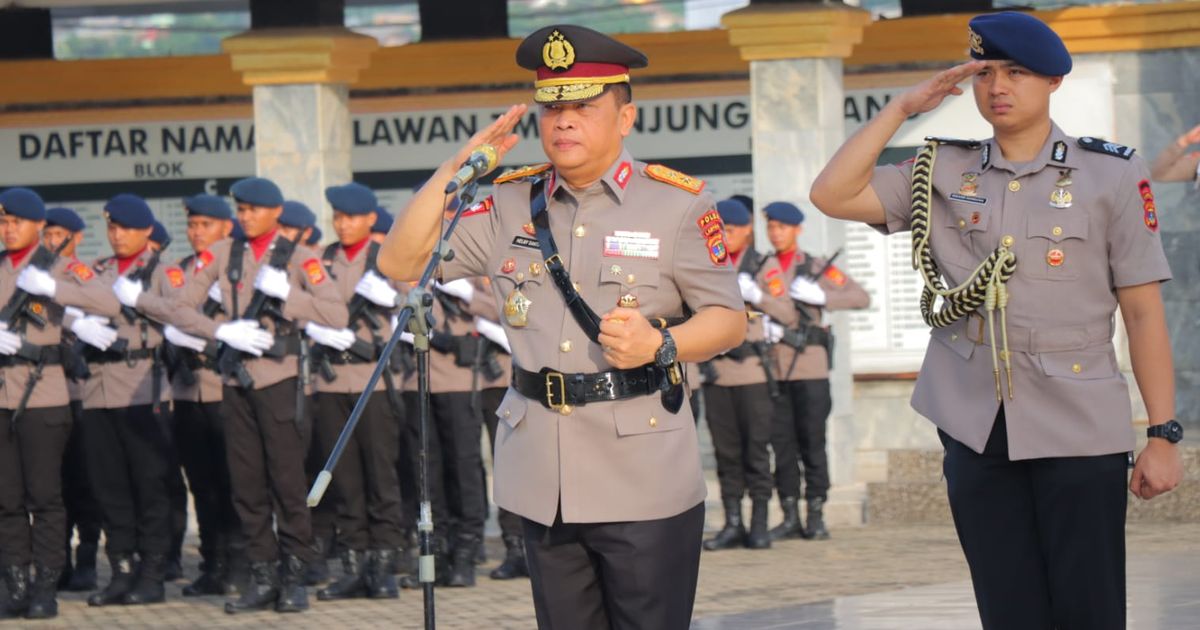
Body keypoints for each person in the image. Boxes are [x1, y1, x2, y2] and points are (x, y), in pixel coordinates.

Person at [809, 12, 1183, 629]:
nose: (998, 87)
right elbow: (832, 194)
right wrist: (902, 108)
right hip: (976, 419)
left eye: (1017, 73)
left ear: (1054, 81)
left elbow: (1142, 312)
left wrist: (1163, 434)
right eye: (985, 73)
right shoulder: (943, 170)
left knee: (1089, 605)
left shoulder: (1110, 173)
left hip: (1079, 419)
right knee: (1007, 606)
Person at [378, 24, 744, 629]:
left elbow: (729, 320)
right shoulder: (507, 202)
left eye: (583, 106)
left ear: (625, 118)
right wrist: (454, 169)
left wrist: (663, 342)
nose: (564, 121)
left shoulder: (678, 205)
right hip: (543, 475)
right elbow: (399, 263)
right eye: (552, 107)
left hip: (642, 473)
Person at [126, 177, 349, 614]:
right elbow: (179, 307)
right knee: (246, 485)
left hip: (279, 383)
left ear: (274, 212)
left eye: (252, 209)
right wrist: (220, 330)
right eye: (240, 209)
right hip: (235, 384)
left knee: (286, 483)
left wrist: (290, 298)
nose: (244, 216)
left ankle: (293, 576)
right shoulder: (222, 255)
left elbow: (337, 314)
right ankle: (261, 574)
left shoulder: (300, 259)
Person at [0, 188, 119, 619]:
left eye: (16, 221)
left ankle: (45, 587)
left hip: (44, 396)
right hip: (1, 395)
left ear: (37, 228)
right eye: (3, 221)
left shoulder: (63, 267)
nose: (8, 228)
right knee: (6, 499)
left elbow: (107, 301)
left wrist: (53, 288)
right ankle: (15, 584)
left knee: (45, 497)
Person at [76, 194, 175, 607]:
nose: (117, 235)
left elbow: (180, 313)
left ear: (147, 231)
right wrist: (75, 322)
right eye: (113, 228)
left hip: (142, 388)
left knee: (149, 485)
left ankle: (152, 573)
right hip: (98, 389)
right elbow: (64, 302)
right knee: (108, 486)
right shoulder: (94, 270)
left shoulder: (162, 272)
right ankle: (120, 570)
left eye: (127, 228)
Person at [308, 182, 404, 600]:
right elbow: (302, 303)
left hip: (373, 382)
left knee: (381, 476)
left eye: (351, 217)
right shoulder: (322, 260)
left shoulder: (386, 257)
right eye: (338, 217)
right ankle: (352, 564)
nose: (342, 224)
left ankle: (383, 566)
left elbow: (418, 304)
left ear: (369, 219)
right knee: (344, 478)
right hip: (330, 382)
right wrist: (313, 326)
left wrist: (394, 299)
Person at [760, 201, 868, 541]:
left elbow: (859, 296)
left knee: (812, 442)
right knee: (782, 445)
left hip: (810, 368)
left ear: (797, 230)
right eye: (772, 227)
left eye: (782, 227)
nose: (776, 233)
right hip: (774, 368)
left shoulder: (816, 266)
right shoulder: (762, 267)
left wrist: (821, 296)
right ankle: (790, 513)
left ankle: (816, 513)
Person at [159, 194, 240, 597]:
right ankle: (213, 563)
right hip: (189, 392)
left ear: (226, 227)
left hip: (228, 390)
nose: (196, 233)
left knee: (234, 483)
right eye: (192, 225)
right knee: (202, 484)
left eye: (204, 225)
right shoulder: (181, 273)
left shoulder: (238, 267)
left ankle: (241, 563)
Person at [699, 198, 784, 551]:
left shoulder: (763, 266)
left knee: (756, 450)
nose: (724, 236)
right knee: (726, 451)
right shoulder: (706, 264)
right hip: (716, 373)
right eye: (719, 229)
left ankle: (760, 521)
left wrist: (758, 294)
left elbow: (788, 311)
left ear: (747, 229)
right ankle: (733, 522)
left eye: (730, 230)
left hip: (751, 373)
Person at [42, 207, 103, 593]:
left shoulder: (83, 275)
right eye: (47, 234)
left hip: (79, 391)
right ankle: (57, 560)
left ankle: (87, 561)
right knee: (53, 483)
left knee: (84, 480)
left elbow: (92, 312)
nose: (52, 241)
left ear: (77, 238)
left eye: (60, 234)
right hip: (44, 393)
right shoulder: (30, 277)